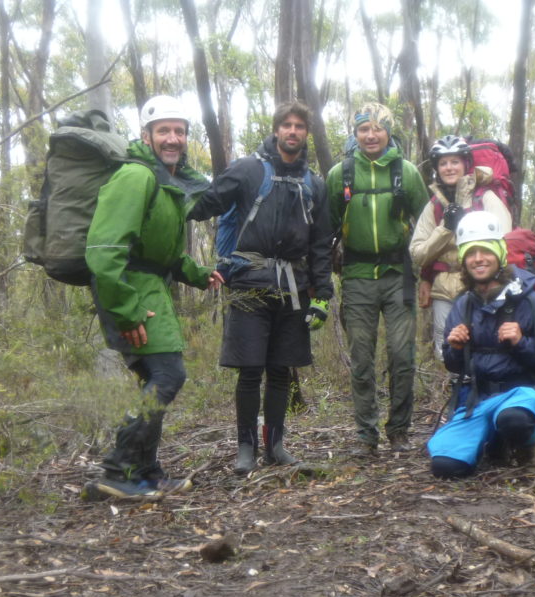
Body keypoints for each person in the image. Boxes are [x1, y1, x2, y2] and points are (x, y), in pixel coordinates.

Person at [83, 95, 224, 500]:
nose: (173, 138)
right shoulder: (137, 176)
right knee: (167, 375)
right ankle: (118, 469)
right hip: (128, 291)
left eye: (179, 131)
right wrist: (126, 310)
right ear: (146, 135)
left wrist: (195, 273)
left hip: (149, 288)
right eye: (164, 130)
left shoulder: (166, 182)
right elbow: (104, 250)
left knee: (155, 378)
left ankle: (146, 471)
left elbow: (159, 249)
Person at [191, 101, 334, 474]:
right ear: (276, 130)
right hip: (249, 283)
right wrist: (169, 185)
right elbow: (206, 202)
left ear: (305, 132)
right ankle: (245, 449)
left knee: (281, 370)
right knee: (250, 370)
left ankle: (276, 446)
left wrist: (321, 296)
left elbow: (321, 244)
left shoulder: (314, 185)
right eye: (286, 124)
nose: (292, 131)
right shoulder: (247, 169)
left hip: (294, 288)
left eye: (299, 126)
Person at [427, 210, 535, 479]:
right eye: (471, 253)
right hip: (480, 397)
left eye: (486, 251)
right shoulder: (463, 305)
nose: (478, 259)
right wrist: (455, 349)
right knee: (446, 467)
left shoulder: (533, 302)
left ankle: (527, 450)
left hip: (523, 393)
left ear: (500, 254)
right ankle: (494, 441)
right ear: (463, 260)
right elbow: (454, 365)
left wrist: (522, 342)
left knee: (513, 420)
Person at [326, 103, 430, 455]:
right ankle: (365, 435)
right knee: (362, 358)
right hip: (356, 276)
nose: (370, 135)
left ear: (388, 132)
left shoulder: (408, 172)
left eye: (377, 128)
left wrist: (430, 275)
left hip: (398, 275)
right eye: (363, 129)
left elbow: (428, 227)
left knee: (402, 355)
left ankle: (399, 430)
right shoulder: (340, 174)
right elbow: (325, 230)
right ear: (354, 134)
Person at [410, 135, 513, 359]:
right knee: (447, 352)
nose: (449, 168)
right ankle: (455, 392)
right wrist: (446, 228)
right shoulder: (434, 206)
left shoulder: (485, 198)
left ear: (466, 164)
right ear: (437, 168)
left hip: (481, 288)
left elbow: (506, 244)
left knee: (483, 346)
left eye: (454, 162)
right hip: (443, 291)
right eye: (443, 163)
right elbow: (418, 254)